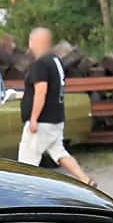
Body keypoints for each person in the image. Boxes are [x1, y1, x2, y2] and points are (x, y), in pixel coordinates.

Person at [17, 27, 91, 184]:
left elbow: (41, 91)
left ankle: (26, 191)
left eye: (31, 40)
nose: (29, 44)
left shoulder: (40, 64)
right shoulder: (56, 61)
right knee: (59, 152)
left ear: (37, 42)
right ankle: (85, 179)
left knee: (27, 160)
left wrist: (33, 119)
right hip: (56, 118)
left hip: (42, 121)